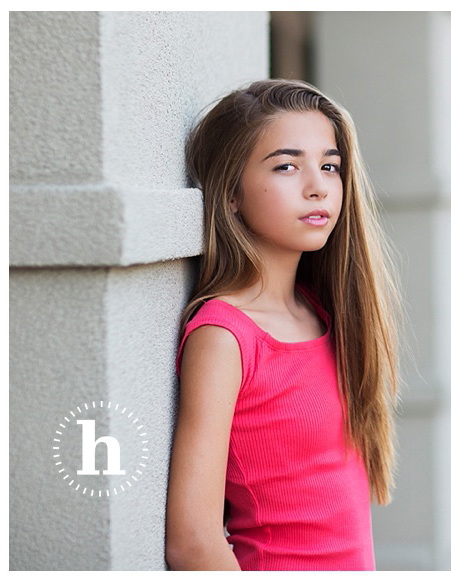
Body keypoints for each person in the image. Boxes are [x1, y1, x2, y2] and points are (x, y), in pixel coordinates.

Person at [165, 79, 401, 571]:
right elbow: (193, 541)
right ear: (231, 194)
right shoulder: (224, 337)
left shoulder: (325, 311)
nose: (317, 185)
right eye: (287, 166)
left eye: (329, 165)